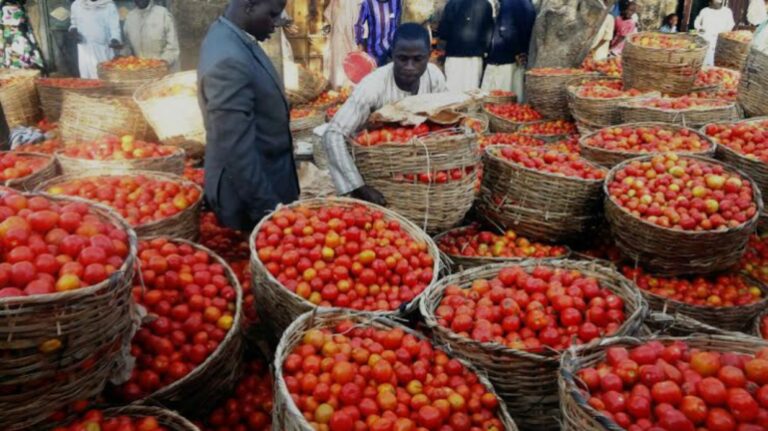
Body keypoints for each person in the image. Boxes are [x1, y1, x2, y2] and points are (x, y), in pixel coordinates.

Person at [198, 0, 299, 231]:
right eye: (272, 15)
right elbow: (236, 149)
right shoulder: (229, 59)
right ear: (249, 6)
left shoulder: (232, 36)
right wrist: (268, 209)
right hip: (249, 195)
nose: (277, 23)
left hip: (267, 178)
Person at [322, 23, 447, 205]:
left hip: (421, 171)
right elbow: (333, 134)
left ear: (429, 56)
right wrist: (359, 187)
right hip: (377, 171)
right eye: (402, 59)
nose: (409, 67)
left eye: (417, 59)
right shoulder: (372, 86)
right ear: (391, 56)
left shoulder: (435, 77)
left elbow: (445, 119)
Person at [481, 0, 535, 97]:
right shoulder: (527, 3)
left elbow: (507, 30)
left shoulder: (510, 2)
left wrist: (517, 51)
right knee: (514, 98)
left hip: (505, 58)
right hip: (517, 57)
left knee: (498, 100)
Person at [438, 0, 494, 92]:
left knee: (451, 92)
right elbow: (489, 34)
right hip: (476, 57)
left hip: (454, 54)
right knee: (472, 92)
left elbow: (444, 32)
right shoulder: (486, 5)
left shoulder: (452, 4)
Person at [69, 0, 122, 79]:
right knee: (87, 79)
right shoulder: (77, 4)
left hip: (103, 49)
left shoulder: (109, 6)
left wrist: (115, 39)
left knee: (103, 78)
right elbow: (74, 23)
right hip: (84, 49)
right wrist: (73, 31)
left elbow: (114, 27)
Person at [123, 0, 181, 71]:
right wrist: (122, 55)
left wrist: (163, 62)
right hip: (140, 73)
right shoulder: (130, 18)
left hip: (165, 72)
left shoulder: (163, 14)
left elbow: (173, 47)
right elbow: (128, 46)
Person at [323, 0, 363, 87]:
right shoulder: (334, 2)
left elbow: (361, 21)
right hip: (336, 40)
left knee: (350, 73)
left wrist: (359, 41)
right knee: (337, 70)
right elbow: (328, 18)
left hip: (351, 41)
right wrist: (327, 29)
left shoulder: (356, 3)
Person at [355, 0, 402, 66]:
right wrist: (360, 43)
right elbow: (359, 25)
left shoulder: (396, 2)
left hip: (393, 50)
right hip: (375, 53)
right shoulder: (368, 4)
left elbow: (398, 22)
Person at [0, 0, 43, 69]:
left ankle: (22, 64)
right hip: (5, 17)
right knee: (6, 42)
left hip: (17, 16)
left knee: (21, 40)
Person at [695, 0, 735, 65]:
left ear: (721, 4)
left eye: (716, 4)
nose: (713, 6)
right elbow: (697, 22)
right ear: (709, 2)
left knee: (715, 61)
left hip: (719, 40)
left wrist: (723, 34)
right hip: (706, 38)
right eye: (712, 3)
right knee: (703, 60)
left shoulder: (727, 11)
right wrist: (699, 28)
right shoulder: (705, 11)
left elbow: (731, 24)